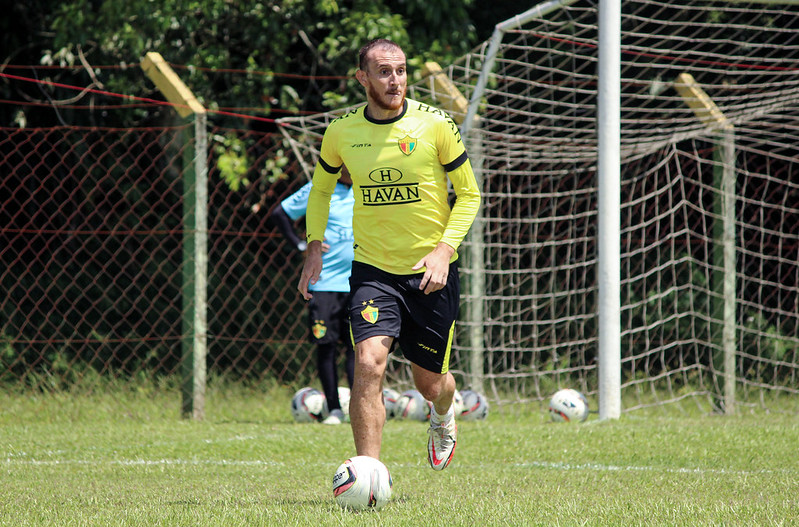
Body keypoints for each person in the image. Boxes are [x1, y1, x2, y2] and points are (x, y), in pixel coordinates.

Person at [297, 39, 481, 470]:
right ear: (362, 78)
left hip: (430, 272)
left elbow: (470, 195)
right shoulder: (341, 132)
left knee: (431, 385)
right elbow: (321, 190)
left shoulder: (436, 124)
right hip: (373, 271)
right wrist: (314, 245)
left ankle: (442, 415)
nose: (394, 79)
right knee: (368, 362)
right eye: (383, 71)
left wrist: (443, 250)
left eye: (399, 70)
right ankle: (368, 474)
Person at [271, 167, 355, 425]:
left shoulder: (368, 186)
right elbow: (280, 213)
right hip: (325, 282)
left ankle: (359, 409)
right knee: (326, 348)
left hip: (361, 284)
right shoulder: (320, 188)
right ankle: (334, 410)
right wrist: (301, 244)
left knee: (359, 349)